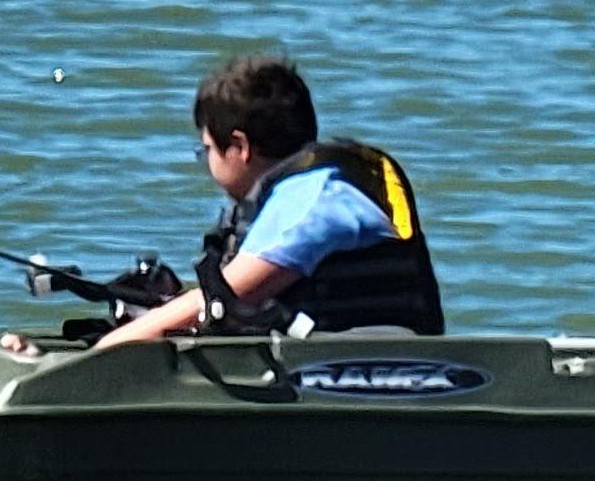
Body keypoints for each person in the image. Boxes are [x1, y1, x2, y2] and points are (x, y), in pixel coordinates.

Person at [90, 45, 448, 349]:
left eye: (207, 150)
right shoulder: (315, 189)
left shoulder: (312, 203)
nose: (207, 163)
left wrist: (105, 352)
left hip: (377, 376)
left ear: (240, 146)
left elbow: (228, 296)